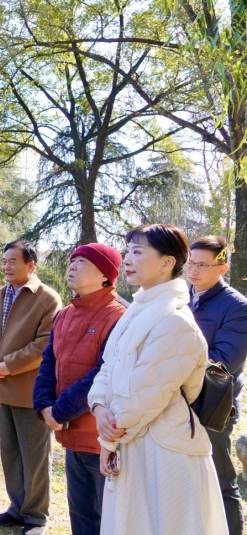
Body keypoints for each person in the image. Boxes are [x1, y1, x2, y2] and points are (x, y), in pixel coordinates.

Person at [87, 224, 227, 534]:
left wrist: (109, 439)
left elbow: (146, 394)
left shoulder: (174, 319)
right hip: (131, 440)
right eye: (128, 251)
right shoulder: (137, 310)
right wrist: (98, 406)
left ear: (167, 263)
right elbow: (108, 367)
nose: (127, 259)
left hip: (164, 449)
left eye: (138, 252)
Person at [32, 243, 126, 535]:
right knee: (81, 516)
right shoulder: (64, 314)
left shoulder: (118, 316)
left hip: (102, 438)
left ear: (105, 276)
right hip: (71, 436)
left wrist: (59, 411)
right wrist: (43, 405)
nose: (72, 266)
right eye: (72, 261)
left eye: (82, 262)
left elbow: (103, 374)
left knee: (110, 519)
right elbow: (49, 360)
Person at [0, 239, 62, 535]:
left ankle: (37, 515)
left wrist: (8, 364)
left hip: (31, 388)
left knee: (35, 455)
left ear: (31, 265)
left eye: (13, 261)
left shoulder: (47, 297)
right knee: (11, 453)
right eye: (4, 261)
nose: (6, 266)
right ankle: (17, 508)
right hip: (2, 385)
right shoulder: (1, 294)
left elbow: (46, 343)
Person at [187, 235, 247, 534]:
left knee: (220, 482)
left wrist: (174, 362)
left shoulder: (236, 306)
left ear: (222, 268)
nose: (194, 270)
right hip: (177, 403)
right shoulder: (180, 297)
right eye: (191, 262)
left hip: (214, 409)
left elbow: (224, 363)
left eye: (203, 265)